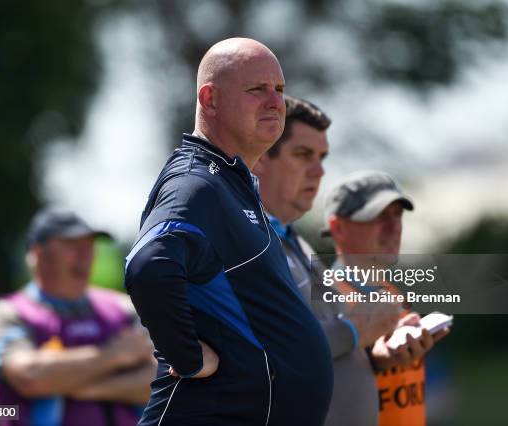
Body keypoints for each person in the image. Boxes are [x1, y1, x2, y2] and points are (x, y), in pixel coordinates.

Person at [124, 38, 333, 426]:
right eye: (257, 90)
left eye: (280, 90)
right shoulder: (197, 182)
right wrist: (188, 357)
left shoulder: (230, 183)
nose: (275, 102)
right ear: (211, 100)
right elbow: (149, 265)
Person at [253, 95, 399, 426]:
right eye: (304, 155)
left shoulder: (298, 243)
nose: (319, 171)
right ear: (261, 156)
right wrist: (354, 329)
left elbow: (328, 349)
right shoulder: (247, 247)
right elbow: (265, 355)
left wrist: (378, 354)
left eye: (322, 157)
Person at [0, 209, 154, 426]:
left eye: (89, 245)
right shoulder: (6, 314)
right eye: (72, 245)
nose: (85, 255)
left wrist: (74, 385)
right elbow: (31, 376)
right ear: (38, 254)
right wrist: (115, 355)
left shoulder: (124, 308)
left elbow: (162, 380)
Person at [322, 171, 451, 426]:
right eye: (378, 216)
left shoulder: (391, 294)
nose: (394, 227)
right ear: (338, 228)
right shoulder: (326, 297)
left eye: (397, 215)